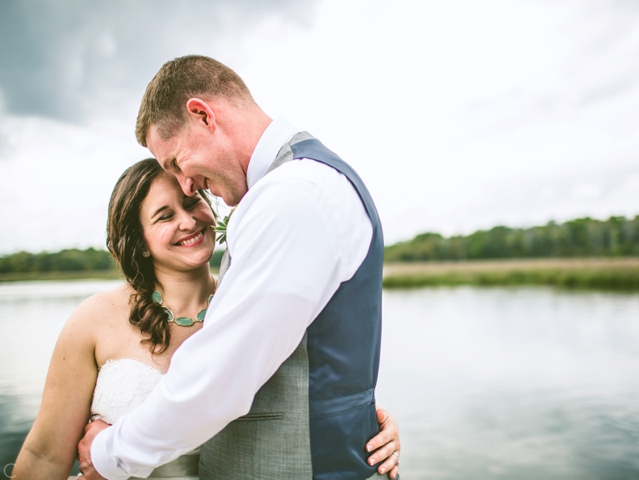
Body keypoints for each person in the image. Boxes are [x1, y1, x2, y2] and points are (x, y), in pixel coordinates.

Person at [78, 55, 399, 480]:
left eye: (176, 162)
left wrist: (108, 454)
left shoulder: (294, 193)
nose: (187, 184)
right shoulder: (300, 185)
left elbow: (218, 379)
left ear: (203, 115)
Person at [11, 159, 401, 480]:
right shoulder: (94, 321)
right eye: (165, 216)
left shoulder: (251, 304)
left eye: (191, 200)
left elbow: (310, 394)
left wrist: (371, 427)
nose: (188, 221)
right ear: (139, 242)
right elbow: (46, 455)